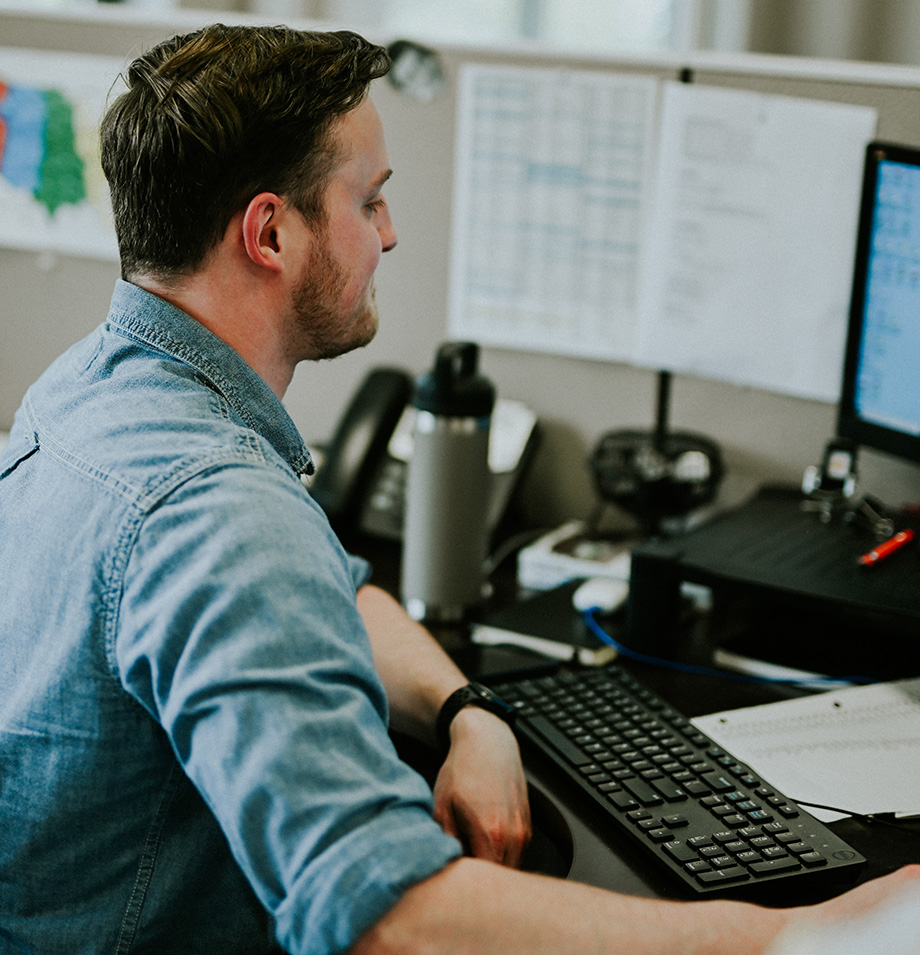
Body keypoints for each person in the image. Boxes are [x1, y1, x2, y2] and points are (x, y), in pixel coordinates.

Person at [0, 22, 915, 955]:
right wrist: (795, 936)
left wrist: (468, 708)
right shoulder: (217, 510)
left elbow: (330, 589)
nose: (390, 235)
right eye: (371, 199)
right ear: (271, 232)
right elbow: (395, 916)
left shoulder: (86, 393)